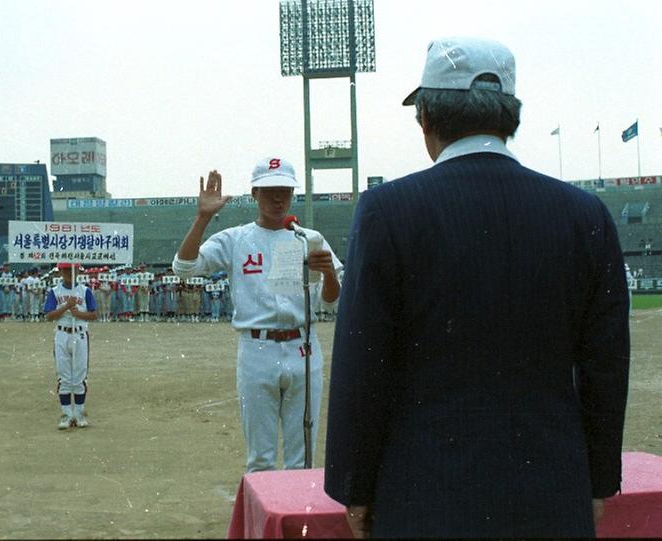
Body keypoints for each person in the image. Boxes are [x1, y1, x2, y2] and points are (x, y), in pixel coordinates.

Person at [324, 37, 630, 538]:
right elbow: (605, 367)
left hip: (424, 493)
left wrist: (354, 486)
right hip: (552, 492)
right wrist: (596, 482)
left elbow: (363, 363)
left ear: (427, 117)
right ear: (511, 114)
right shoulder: (585, 215)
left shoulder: (388, 210)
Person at [173, 158, 342, 472]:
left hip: (302, 347)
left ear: (293, 194)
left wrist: (329, 273)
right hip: (256, 348)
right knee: (260, 458)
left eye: (284, 190)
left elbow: (331, 301)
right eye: (268, 191)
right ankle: (260, 522)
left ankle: (298, 522)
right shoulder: (236, 239)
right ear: (254, 193)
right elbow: (184, 268)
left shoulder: (309, 239)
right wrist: (202, 218)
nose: (277, 198)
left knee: (302, 457)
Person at [44, 263, 98, 430]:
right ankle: (67, 414)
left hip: (80, 333)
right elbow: (49, 315)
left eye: (72, 270)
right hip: (62, 334)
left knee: (80, 376)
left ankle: (79, 413)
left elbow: (93, 314)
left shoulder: (84, 290)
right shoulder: (54, 291)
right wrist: (66, 306)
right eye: (66, 269)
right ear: (60, 271)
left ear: (78, 271)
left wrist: (78, 313)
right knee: (65, 376)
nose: (69, 273)